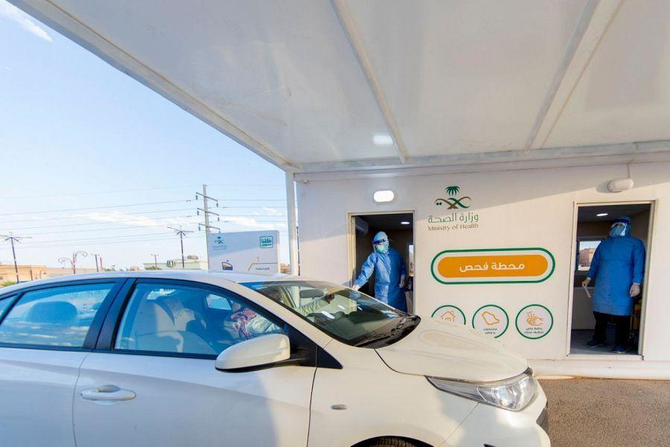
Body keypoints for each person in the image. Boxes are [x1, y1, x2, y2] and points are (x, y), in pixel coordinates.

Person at [582, 216, 645, 353]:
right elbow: (596, 262)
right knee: (599, 313)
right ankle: (599, 338)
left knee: (622, 315)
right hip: (603, 284)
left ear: (627, 227)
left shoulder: (635, 243)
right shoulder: (604, 244)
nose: (616, 228)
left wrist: (636, 283)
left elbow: (639, 264)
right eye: (614, 225)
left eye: (620, 225)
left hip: (623, 285)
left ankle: (621, 343)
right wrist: (589, 277)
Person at [352, 231, 408, 312]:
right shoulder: (374, 255)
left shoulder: (396, 254)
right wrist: (357, 285)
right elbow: (366, 271)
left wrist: (402, 277)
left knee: (400, 315)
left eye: (380, 245)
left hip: (397, 294)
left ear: (386, 242)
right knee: (385, 316)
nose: (378, 247)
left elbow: (402, 267)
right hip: (382, 294)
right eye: (376, 245)